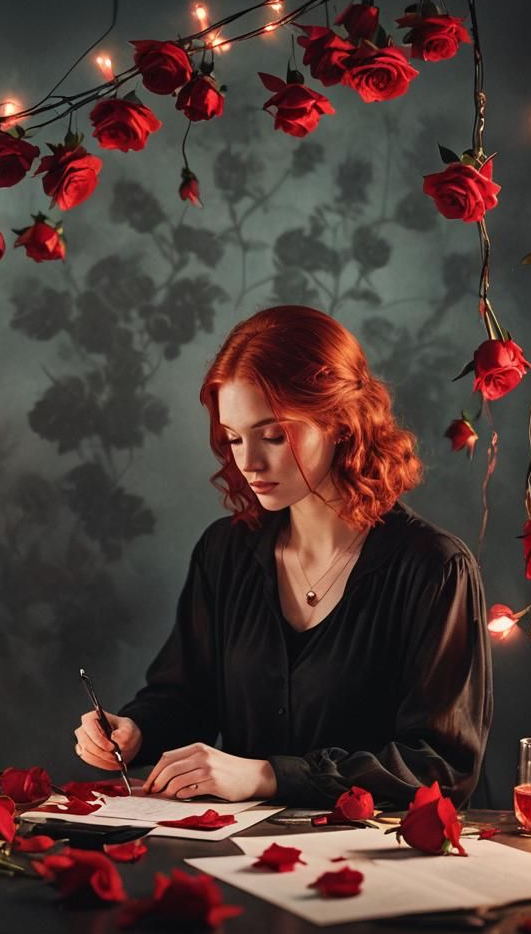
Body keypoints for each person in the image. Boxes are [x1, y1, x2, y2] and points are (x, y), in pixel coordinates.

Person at [73, 305, 492, 809]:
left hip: (390, 863)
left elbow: (440, 766)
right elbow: (186, 697)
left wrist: (269, 776)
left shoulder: (433, 569)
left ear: (340, 422)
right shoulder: (224, 552)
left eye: (273, 435)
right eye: (232, 438)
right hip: (240, 861)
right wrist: (135, 730)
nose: (247, 462)